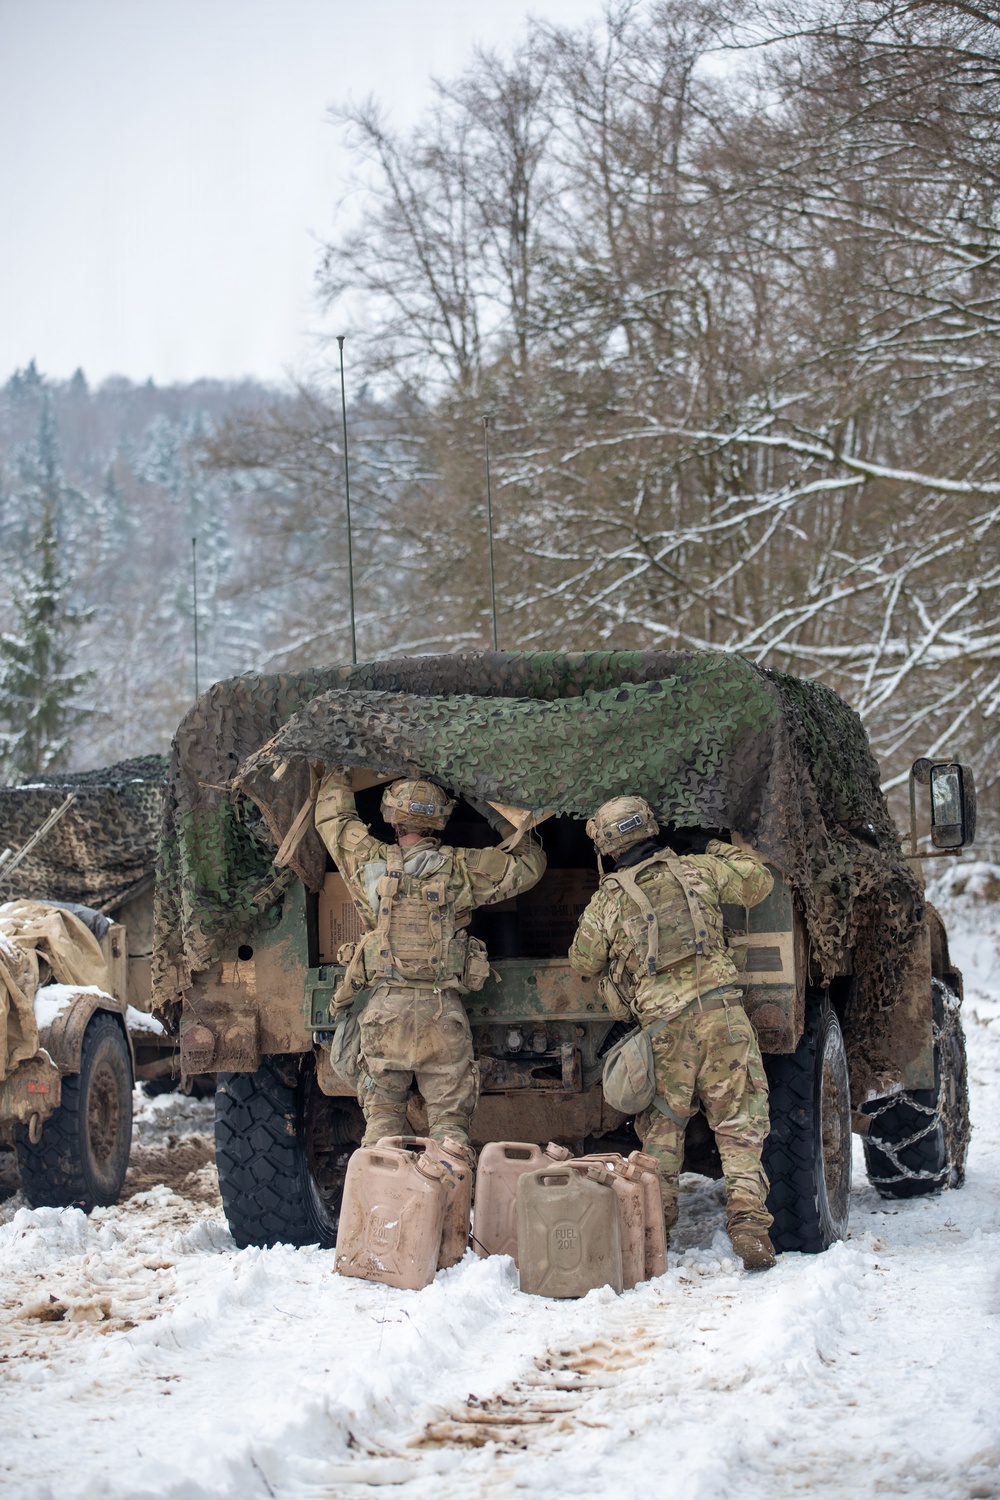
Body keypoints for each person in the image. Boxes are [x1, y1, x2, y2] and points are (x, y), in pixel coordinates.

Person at [568, 795, 777, 1270]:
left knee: (662, 1132)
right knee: (740, 1125)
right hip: (724, 1017)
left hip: (664, 1032)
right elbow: (758, 880)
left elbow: (582, 960)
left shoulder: (609, 900)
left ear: (606, 846)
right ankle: (749, 1227)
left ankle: (653, 1236)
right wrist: (712, 846)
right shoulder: (698, 870)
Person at [315, 769, 546, 1151]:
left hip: (384, 1015)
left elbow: (332, 818)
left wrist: (338, 767)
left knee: (382, 1130)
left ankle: (382, 1205)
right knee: (450, 1133)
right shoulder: (462, 868)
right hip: (443, 1014)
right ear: (440, 819)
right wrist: (494, 812)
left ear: (391, 816)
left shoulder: (366, 860)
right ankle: (448, 1204)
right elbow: (531, 863)